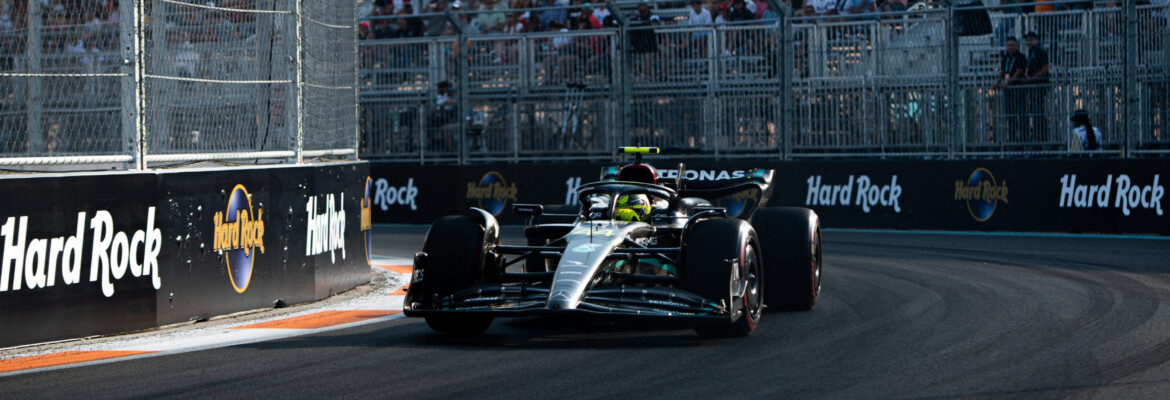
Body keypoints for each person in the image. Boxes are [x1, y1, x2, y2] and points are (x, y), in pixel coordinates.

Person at [992, 36, 1027, 143]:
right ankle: (1012, 139)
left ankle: (1023, 139)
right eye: (1008, 45)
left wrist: (1008, 82)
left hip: (1018, 90)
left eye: (1012, 45)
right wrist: (997, 82)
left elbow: (1019, 71)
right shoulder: (1005, 57)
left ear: (1016, 46)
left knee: (1021, 115)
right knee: (1010, 116)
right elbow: (1002, 71)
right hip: (1009, 92)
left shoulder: (1021, 57)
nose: (1010, 47)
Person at [1023, 31, 1050, 142]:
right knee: (1035, 112)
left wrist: (1033, 78)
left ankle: (1041, 137)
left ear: (1037, 39)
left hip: (1039, 85)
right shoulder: (1031, 52)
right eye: (1027, 39)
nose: (1028, 41)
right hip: (1033, 86)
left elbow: (1045, 69)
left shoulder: (1039, 52)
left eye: (1031, 39)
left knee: (1038, 112)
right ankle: (1038, 136)